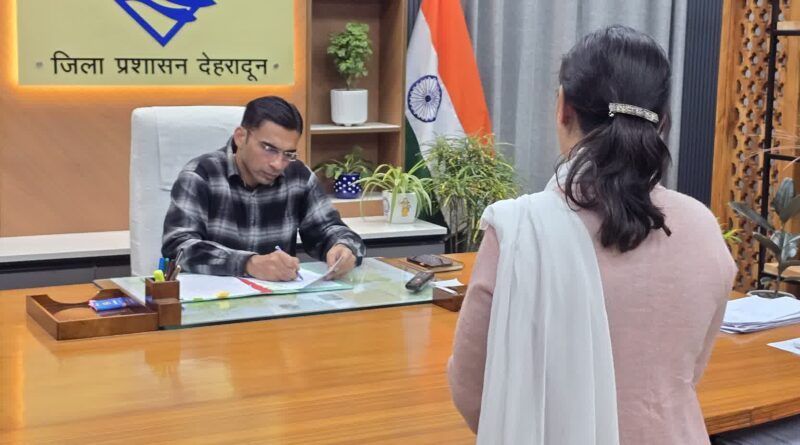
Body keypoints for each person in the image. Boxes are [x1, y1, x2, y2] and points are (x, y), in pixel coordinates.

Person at [447, 25, 737, 444]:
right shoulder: (703, 228)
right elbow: (689, 372)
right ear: (663, 121)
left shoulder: (518, 232)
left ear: (563, 107)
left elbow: (473, 391)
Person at [162, 96, 365, 281]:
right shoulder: (201, 175)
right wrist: (248, 264)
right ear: (240, 137)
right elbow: (178, 246)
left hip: (278, 302)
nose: (278, 164)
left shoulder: (298, 177)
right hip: (212, 302)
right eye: (269, 149)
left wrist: (344, 247)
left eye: (288, 154)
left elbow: (328, 229)